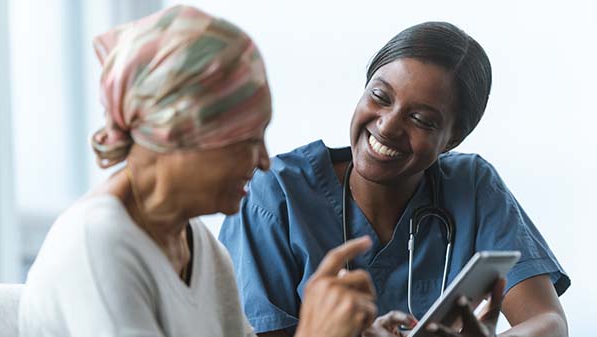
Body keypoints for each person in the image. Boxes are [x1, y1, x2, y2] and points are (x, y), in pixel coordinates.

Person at [18, 6, 384, 337]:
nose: (264, 161)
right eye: (246, 142)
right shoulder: (96, 247)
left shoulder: (200, 247)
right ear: (175, 135)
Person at [219, 21, 570, 337]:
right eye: (380, 97)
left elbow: (548, 323)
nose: (387, 126)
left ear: (452, 140)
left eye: (421, 118)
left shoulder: (473, 186)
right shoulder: (275, 194)